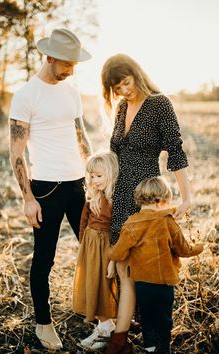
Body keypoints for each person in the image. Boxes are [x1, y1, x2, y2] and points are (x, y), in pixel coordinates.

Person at [101, 54, 191, 353]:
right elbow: (114, 154)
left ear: (136, 74)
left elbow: (175, 151)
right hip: (120, 192)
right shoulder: (123, 107)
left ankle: (151, 339)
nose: (123, 91)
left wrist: (186, 196)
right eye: (116, 88)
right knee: (124, 269)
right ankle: (121, 338)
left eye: (125, 82)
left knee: (147, 272)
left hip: (145, 198)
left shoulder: (159, 104)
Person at [9, 28, 92, 350]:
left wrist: (96, 180)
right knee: (45, 259)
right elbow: (16, 153)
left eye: (74, 63)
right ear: (49, 57)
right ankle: (44, 323)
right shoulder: (26, 94)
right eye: (67, 63)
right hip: (46, 189)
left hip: (79, 185)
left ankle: (102, 314)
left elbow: (81, 136)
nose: (71, 69)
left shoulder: (71, 91)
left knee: (94, 248)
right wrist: (28, 198)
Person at [108, 176, 204, 354]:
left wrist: (111, 257)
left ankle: (150, 346)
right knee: (164, 318)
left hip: (143, 283)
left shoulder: (131, 223)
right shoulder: (167, 221)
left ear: (139, 200)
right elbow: (184, 249)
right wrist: (199, 246)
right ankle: (163, 348)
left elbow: (118, 252)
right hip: (165, 284)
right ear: (163, 200)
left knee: (147, 317)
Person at [73, 151, 119, 350]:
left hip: (106, 248)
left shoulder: (115, 199)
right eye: (92, 176)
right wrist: (83, 243)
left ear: (110, 174)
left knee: (103, 285)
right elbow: (83, 221)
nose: (94, 180)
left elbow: (118, 229)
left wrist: (114, 257)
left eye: (99, 176)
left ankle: (107, 327)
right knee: (91, 283)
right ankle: (103, 326)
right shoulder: (92, 196)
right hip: (90, 247)